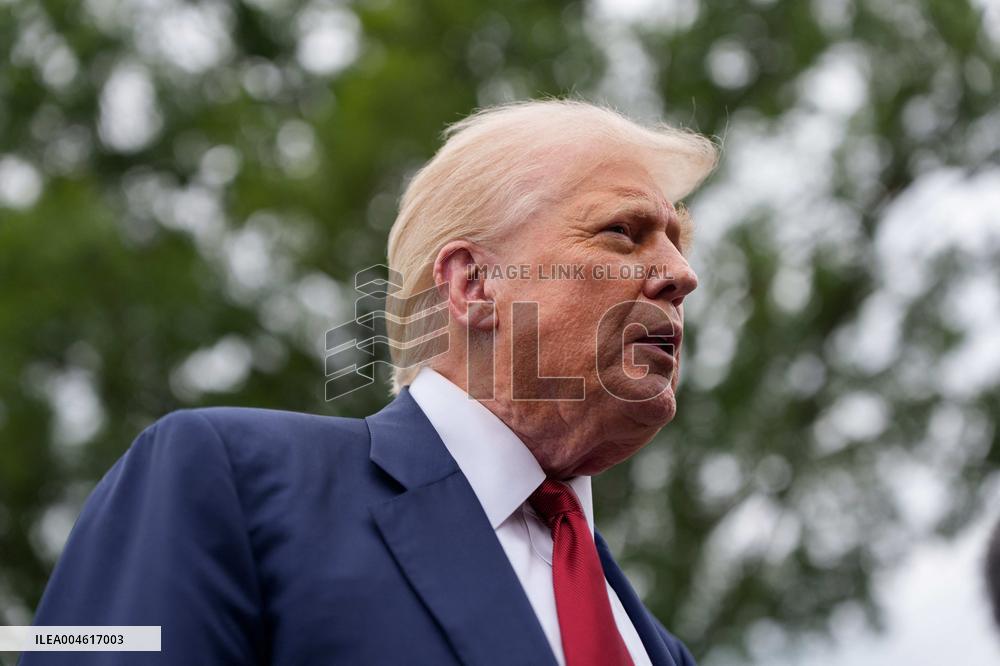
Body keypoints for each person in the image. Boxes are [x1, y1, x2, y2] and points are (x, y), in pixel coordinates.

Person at [23, 100, 717, 665]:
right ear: (474, 284)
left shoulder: (657, 647)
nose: (681, 275)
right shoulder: (227, 479)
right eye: (624, 232)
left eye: (678, 243)